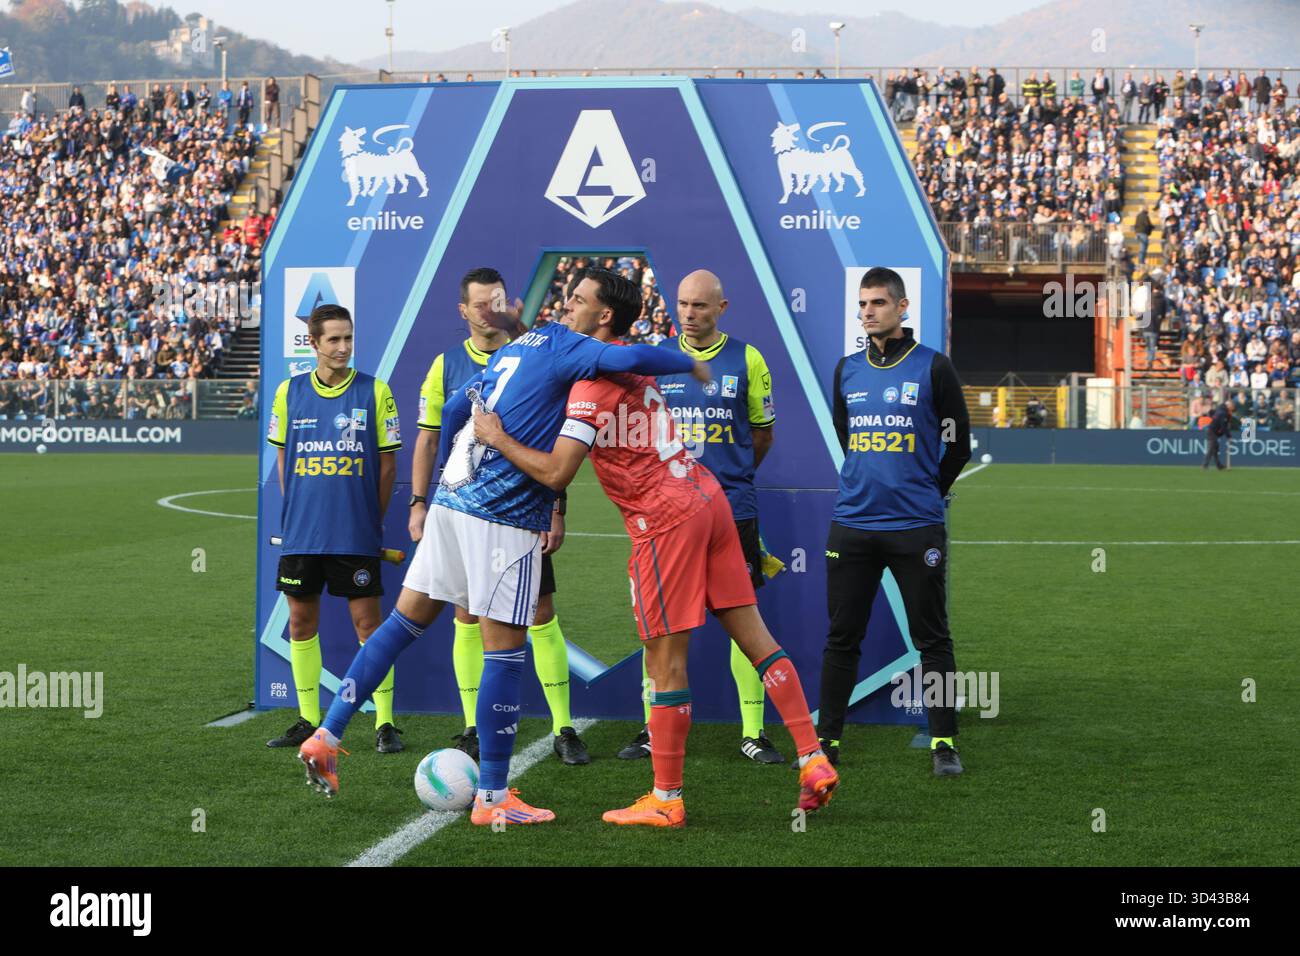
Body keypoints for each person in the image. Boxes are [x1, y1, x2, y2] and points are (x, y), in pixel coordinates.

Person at [296, 283, 705, 826]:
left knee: (402, 624)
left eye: (577, 298)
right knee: (505, 652)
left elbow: (451, 409)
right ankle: (492, 797)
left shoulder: (524, 344)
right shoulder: (574, 347)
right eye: (572, 297)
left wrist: (448, 480)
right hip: (504, 517)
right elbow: (629, 358)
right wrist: (688, 363)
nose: (569, 303)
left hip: (453, 496)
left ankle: (327, 734)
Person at [472, 268, 839, 827]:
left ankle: (666, 799)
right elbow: (559, 354)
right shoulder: (626, 360)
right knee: (755, 637)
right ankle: (811, 756)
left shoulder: (591, 383)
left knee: (665, 665)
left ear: (604, 316)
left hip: (665, 521)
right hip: (708, 496)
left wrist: (497, 437)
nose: (566, 306)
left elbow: (556, 472)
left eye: (577, 300)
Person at [410, 267, 591, 766]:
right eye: (481, 304)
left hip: (521, 511)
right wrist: (419, 503)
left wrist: (557, 508)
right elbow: (428, 438)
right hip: (464, 510)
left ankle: (563, 726)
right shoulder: (446, 365)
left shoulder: (540, 355)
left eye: (499, 301)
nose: (491, 311)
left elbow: (559, 442)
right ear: (464, 311)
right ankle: (473, 726)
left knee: (540, 612)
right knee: (465, 613)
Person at [613, 269, 784, 765]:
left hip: (730, 509)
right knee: (659, 628)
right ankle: (653, 729)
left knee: (744, 622)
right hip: (665, 514)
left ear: (721, 308)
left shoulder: (748, 359)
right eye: (683, 304)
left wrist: (728, 480)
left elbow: (762, 435)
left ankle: (753, 732)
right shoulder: (656, 360)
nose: (689, 314)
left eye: (700, 306)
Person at [816, 268, 971, 775]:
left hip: (915, 526)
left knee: (932, 638)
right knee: (842, 637)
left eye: (879, 302)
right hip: (853, 524)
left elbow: (958, 445)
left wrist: (927, 490)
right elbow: (846, 435)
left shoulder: (934, 367)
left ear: (903, 307)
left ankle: (943, 741)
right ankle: (826, 742)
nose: (868, 311)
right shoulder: (846, 369)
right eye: (863, 303)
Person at [265, 304, 405, 753]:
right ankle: (308, 719)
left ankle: (384, 722)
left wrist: (369, 519)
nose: (343, 347)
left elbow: (388, 467)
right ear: (313, 343)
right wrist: (297, 512)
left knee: (369, 626)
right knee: (300, 621)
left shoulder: (375, 391)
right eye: (334, 340)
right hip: (302, 533)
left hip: (355, 533)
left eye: (348, 338)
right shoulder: (288, 392)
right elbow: (285, 461)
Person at [1202, 399, 1234, 469]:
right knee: (1212, 448)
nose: (1232, 407)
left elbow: (1211, 413)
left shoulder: (1220, 409)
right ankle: (1205, 465)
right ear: (1228, 406)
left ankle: (1218, 465)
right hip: (1212, 431)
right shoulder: (1223, 413)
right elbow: (1223, 426)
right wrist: (1229, 436)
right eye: (1232, 406)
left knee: (1215, 449)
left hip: (1213, 431)